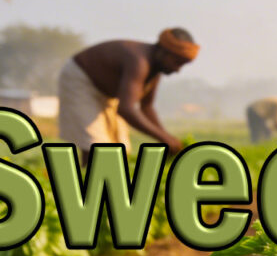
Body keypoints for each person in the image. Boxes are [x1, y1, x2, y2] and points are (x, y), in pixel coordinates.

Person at [57, 28, 198, 161]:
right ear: (163, 51)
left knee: (119, 148)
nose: (177, 69)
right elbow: (126, 109)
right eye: (176, 62)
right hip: (81, 80)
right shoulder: (139, 61)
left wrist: (167, 138)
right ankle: (87, 181)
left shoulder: (156, 68)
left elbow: (146, 107)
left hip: (108, 93)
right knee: (97, 146)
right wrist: (164, 138)